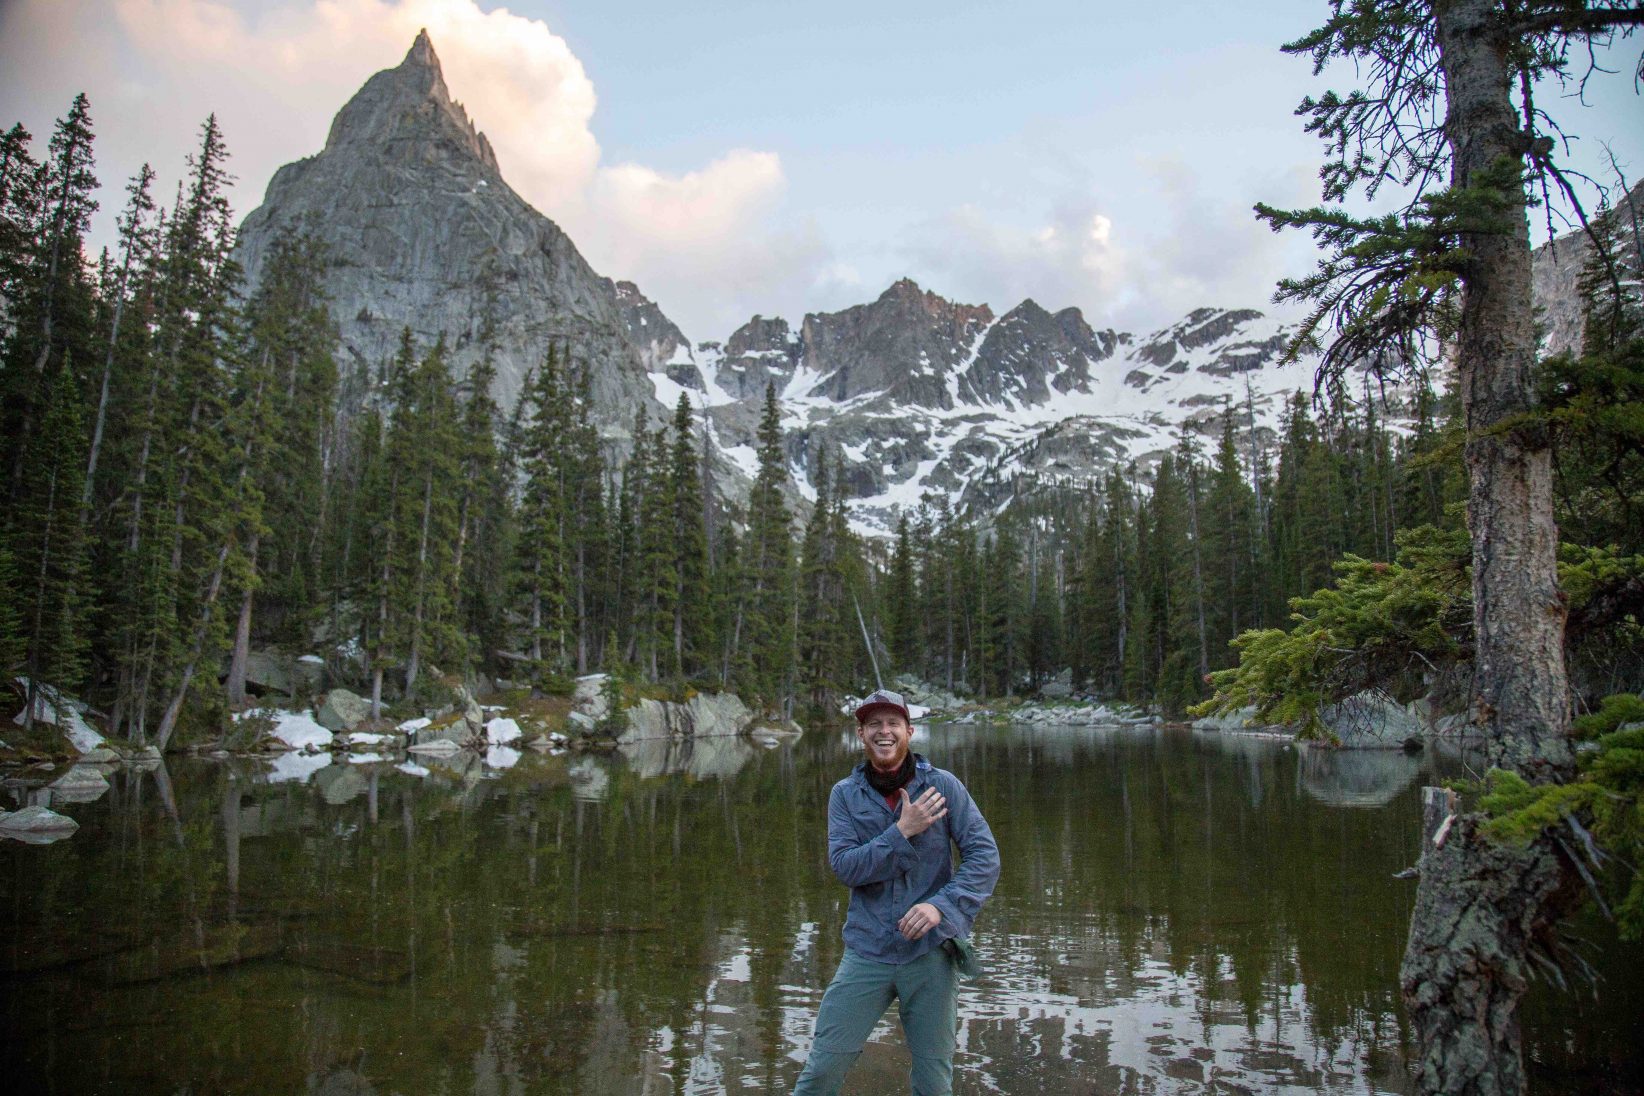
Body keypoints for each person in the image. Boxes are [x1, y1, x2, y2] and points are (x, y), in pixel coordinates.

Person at [793, 688, 1000, 1095]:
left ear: (909, 731)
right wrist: (902, 830)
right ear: (860, 734)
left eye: (892, 723)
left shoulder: (944, 787)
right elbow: (846, 867)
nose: (883, 732)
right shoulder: (844, 795)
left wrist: (942, 907)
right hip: (866, 952)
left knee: (934, 1080)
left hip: (931, 954)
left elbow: (984, 858)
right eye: (874, 724)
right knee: (822, 1069)